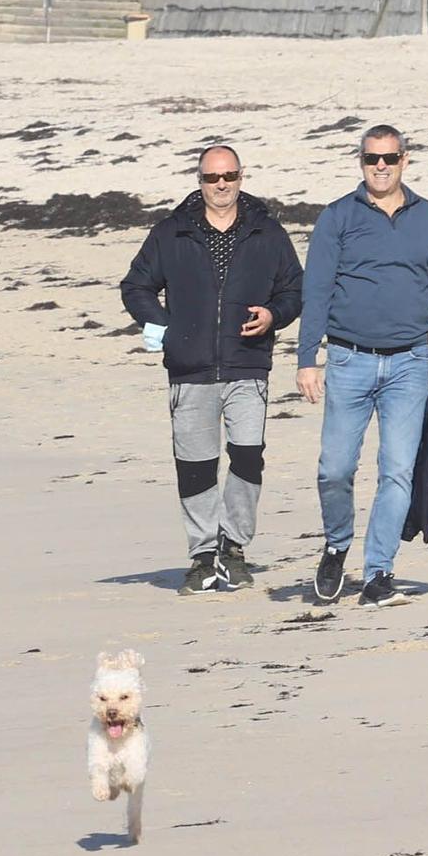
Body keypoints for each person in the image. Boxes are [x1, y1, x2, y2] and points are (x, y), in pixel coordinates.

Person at [296, 125, 428, 609]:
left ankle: (379, 574)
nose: (380, 166)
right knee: (335, 469)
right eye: (371, 158)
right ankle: (335, 546)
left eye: (389, 158)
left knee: (397, 471)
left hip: (409, 364)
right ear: (360, 161)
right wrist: (307, 359)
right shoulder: (337, 217)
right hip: (348, 360)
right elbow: (317, 292)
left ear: (404, 161)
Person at [120, 144, 304, 595]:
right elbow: (136, 286)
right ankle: (203, 556)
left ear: (241, 177)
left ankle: (234, 548)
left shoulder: (267, 232)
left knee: (246, 457)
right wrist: (165, 326)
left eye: (229, 176)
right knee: (196, 466)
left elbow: (296, 290)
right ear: (199, 181)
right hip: (190, 368)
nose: (221, 185)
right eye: (211, 178)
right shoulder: (172, 232)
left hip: (248, 365)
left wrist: (273, 316)